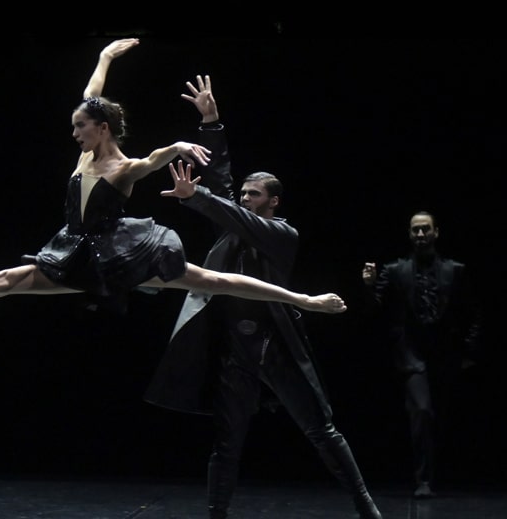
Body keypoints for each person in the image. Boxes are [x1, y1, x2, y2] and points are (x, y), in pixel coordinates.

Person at [0, 39, 349, 321]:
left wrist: (183, 146)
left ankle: (302, 298)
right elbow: (91, 94)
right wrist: (104, 56)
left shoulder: (123, 167)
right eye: (75, 125)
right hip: (73, 252)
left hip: (122, 256)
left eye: (81, 126)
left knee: (216, 280)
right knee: (2, 280)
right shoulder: (85, 149)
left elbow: (156, 157)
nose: (74, 131)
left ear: (102, 129)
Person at [144, 75, 382, 519]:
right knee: (226, 443)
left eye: (255, 195)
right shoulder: (231, 230)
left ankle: (366, 507)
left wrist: (198, 197)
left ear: (273, 203)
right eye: (246, 194)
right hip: (235, 349)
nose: (247, 200)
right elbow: (220, 179)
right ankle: (217, 513)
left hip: (275, 344)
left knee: (321, 430)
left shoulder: (281, 234)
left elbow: (226, 204)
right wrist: (211, 121)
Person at [361, 210, 483, 499]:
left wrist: (469, 350)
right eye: (415, 230)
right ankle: (423, 480)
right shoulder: (395, 270)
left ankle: (447, 475)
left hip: (446, 354)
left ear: (435, 232)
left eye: (425, 229)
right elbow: (373, 311)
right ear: (409, 234)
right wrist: (368, 287)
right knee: (422, 411)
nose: (420, 235)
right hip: (411, 356)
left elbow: (474, 312)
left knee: (441, 415)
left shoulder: (455, 270)